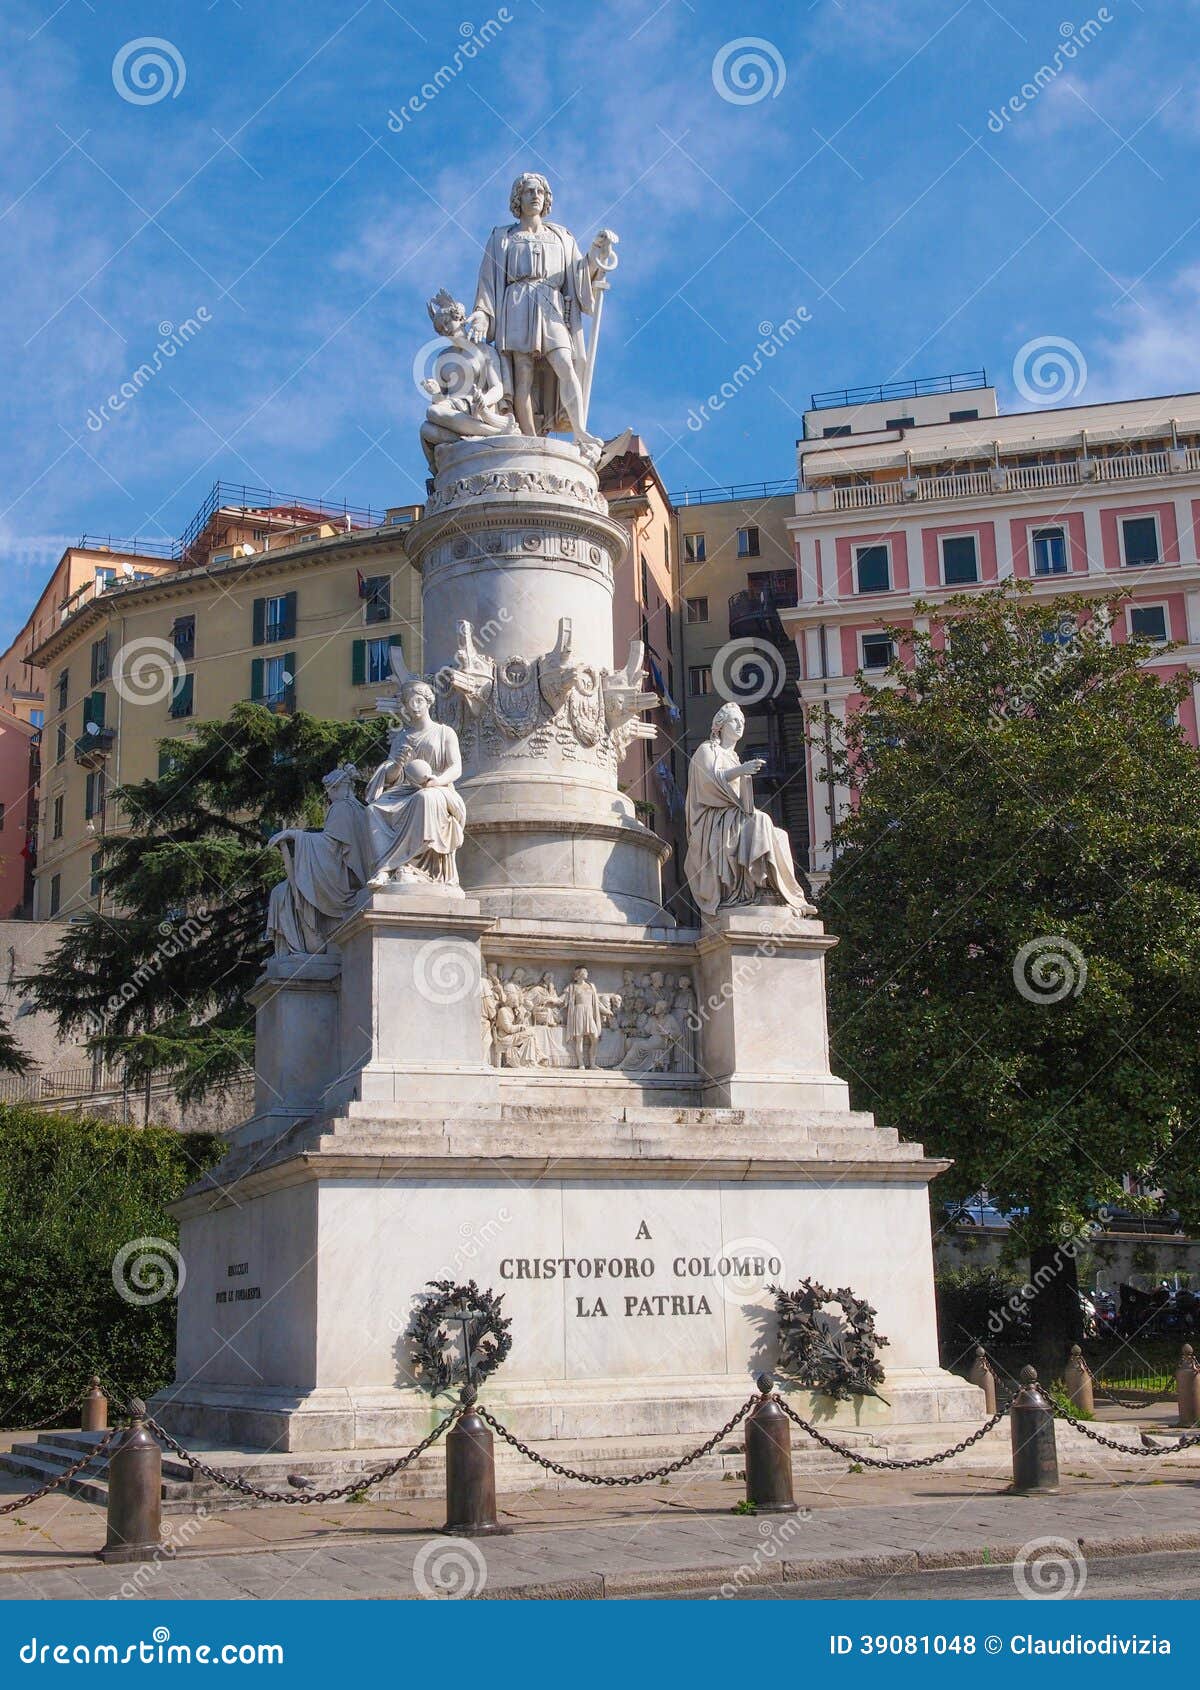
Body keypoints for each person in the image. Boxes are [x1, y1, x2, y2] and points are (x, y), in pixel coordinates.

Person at [468, 172, 616, 459]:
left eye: (540, 191)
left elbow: (580, 275)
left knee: (566, 365)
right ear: (518, 198)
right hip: (516, 303)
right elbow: (488, 280)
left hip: (551, 304)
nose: (535, 196)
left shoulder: (562, 237)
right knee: (522, 375)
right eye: (529, 191)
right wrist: (483, 313)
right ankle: (529, 439)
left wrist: (597, 251)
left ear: (547, 198)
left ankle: (580, 431)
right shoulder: (503, 237)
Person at [684, 702, 816, 918]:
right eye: (735, 721)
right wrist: (741, 771)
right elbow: (708, 782)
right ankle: (752, 887)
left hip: (734, 814)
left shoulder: (734, 757)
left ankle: (784, 895)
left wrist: (743, 783)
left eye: (743, 722)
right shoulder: (707, 750)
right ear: (720, 725)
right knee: (762, 820)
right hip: (713, 816)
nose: (740, 725)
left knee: (780, 835)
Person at [366, 681, 466, 887]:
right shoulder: (401, 738)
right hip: (406, 790)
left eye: (419, 700)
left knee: (424, 798)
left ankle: (401, 867)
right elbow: (391, 778)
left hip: (439, 788)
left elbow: (456, 767)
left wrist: (437, 781)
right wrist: (397, 764)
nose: (415, 706)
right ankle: (385, 869)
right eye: (409, 702)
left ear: (428, 701)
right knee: (373, 809)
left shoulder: (444, 732)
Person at [265, 764, 371, 954]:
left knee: (281, 894)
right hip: (341, 874)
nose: (328, 795)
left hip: (342, 880)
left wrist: (294, 835)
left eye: (328, 790)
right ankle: (290, 951)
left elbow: (331, 845)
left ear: (336, 788)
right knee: (282, 892)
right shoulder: (357, 808)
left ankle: (297, 949)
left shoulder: (341, 808)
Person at [419, 289, 516, 472]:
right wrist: (436, 392)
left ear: (460, 318)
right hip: (453, 409)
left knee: (432, 412)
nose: (445, 330)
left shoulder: (484, 350)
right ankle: (490, 435)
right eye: (440, 329)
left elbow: (498, 388)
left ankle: (493, 432)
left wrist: (483, 400)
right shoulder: (443, 358)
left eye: (447, 323)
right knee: (426, 430)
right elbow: (441, 399)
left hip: (475, 406)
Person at [563, 965, 602, 1068]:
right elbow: (563, 1000)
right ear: (579, 974)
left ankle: (592, 1064)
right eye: (585, 972)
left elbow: (597, 1002)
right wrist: (550, 999)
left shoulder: (591, 986)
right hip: (579, 1012)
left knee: (595, 1038)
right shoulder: (572, 987)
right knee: (579, 1039)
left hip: (589, 1012)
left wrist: (606, 1011)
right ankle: (581, 1063)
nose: (587, 973)